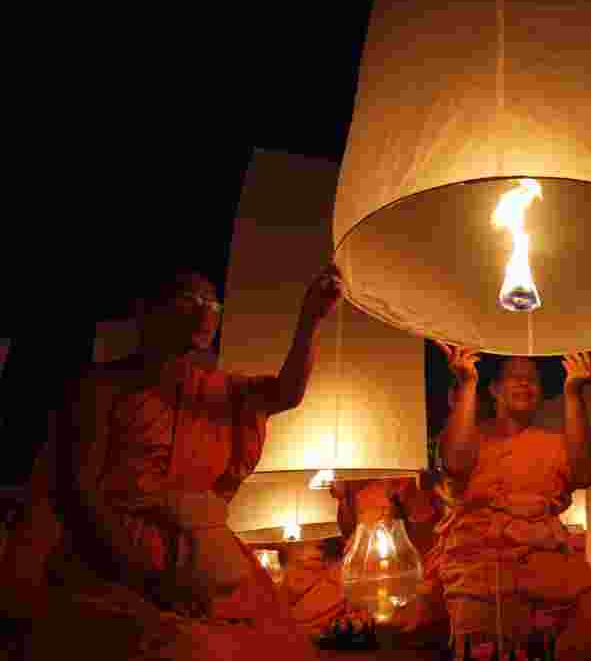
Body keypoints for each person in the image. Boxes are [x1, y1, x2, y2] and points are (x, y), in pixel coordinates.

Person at [0, 265, 343, 659]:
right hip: (117, 572)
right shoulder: (102, 389)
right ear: (147, 312)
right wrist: (150, 578)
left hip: (209, 570)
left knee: (285, 647)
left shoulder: (217, 391)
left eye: (212, 302)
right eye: (189, 301)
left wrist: (311, 320)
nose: (204, 313)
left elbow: (285, 393)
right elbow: (83, 495)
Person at [435, 346, 591, 660]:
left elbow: (585, 473)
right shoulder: (472, 436)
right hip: (480, 563)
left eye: (532, 380)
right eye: (514, 377)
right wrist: (468, 384)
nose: (525, 384)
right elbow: (454, 463)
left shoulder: (553, 442)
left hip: (550, 561)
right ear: (493, 389)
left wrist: (574, 393)